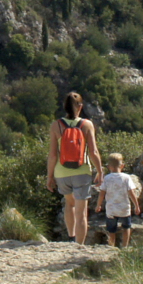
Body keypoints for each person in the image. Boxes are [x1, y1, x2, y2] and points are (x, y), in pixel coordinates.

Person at [47, 91, 104, 245]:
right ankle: (79, 245)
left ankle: (71, 238)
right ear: (80, 106)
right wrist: (100, 171)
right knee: (81, 213)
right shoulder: (87, 125)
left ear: (64, 107)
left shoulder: (56, 125)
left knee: (69, 203)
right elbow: (93, 151)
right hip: (82, 172)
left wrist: (49, 176)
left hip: (62, 172)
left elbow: (52, 155)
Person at [96, 152, 141, 248]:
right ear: (122, 166)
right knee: (126, 227)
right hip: (124, 208)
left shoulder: (107, 178)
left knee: (111, 230)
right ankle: (125, 246)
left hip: (111, 209)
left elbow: (102, 194)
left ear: (109, 167)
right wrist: (136, 205)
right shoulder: (126, 178)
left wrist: (98, 205)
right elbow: (131, 193)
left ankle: (111, 246)